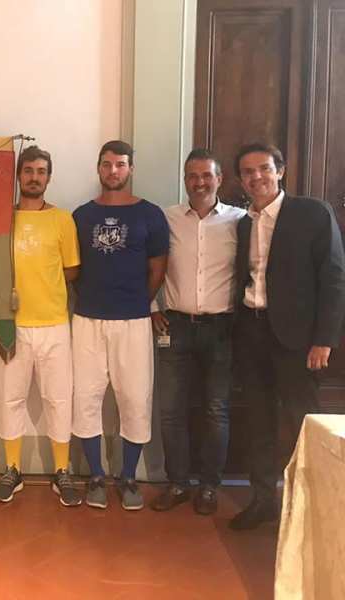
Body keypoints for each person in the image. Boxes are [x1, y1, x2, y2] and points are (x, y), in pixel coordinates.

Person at [229, 142, 345, 530]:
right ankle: (264, 500)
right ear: (240, 180)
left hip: (298, 340)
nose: (256, 177)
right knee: (258, 422)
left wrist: (324, 339)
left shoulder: (312, 213)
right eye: (248, 172)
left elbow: (334, 277)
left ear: (280, 171)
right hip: (252, 332)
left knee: (303, 422)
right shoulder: (243, 223)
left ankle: (310, 508)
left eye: (264, 168)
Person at [71, 140, 169, 510]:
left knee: (135, 398)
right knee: (86, 397)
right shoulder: (81, 216)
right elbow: (73, 269)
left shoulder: (150, 215)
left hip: (133, 321)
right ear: (98, 168)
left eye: (121, 164)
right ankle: (96, 475)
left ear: (130, 169)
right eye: (107, 164)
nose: (114, 171)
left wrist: (138, 302)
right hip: (88, 319)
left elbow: (158, 269)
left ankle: (128, 477)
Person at [150, 149, 245, 515]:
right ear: (185, 179)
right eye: (193, 175)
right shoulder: (166, 219)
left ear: (220, 179)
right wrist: (152, 307)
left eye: (207, 175)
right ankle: (177, 483)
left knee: (216, 410)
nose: (200, 182)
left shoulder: (240, 221)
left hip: (222, 329)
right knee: (171, 410)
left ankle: (208, 486)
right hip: (175, 326)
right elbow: (148, 264)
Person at [0, 146, 81, 506]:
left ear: (49, 177)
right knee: (9, 397)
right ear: (18, 175)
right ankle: (12, 469)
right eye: (28, 170)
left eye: (41, 171)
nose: (34, 177)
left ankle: (62, 471)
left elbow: (71, 269)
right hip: (11, 324)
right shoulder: (2, 219)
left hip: (54, 324)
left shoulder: (62, 220)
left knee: (58, 399)